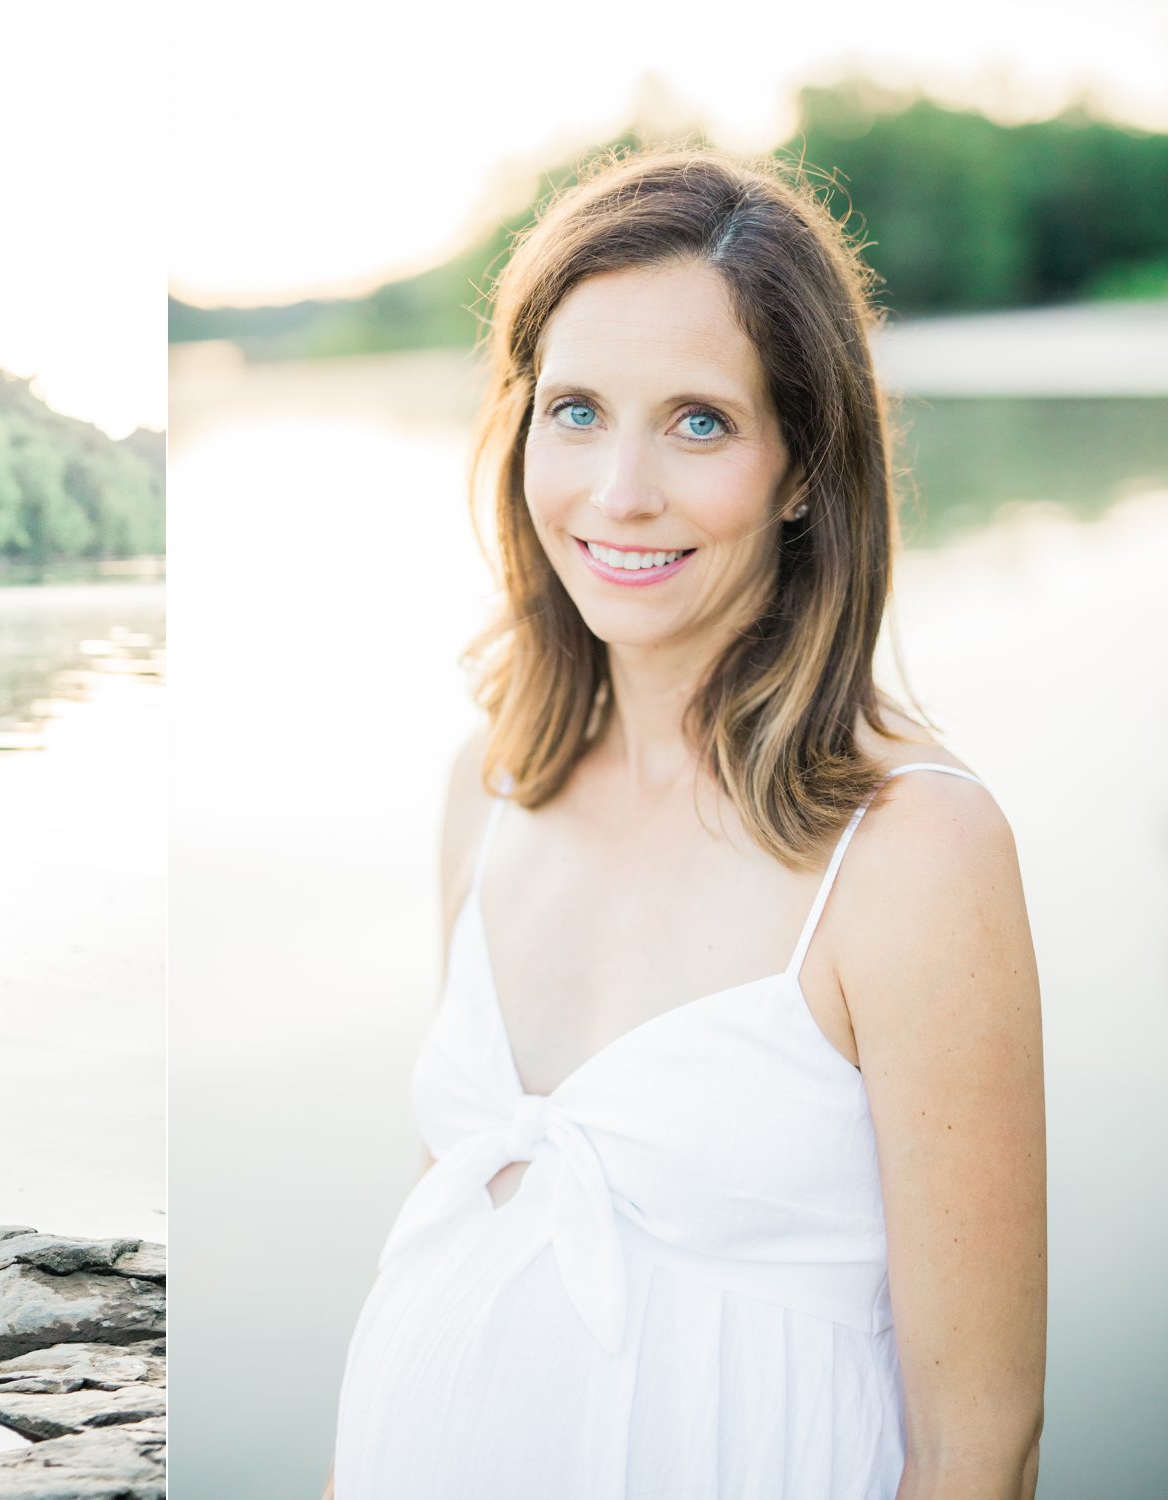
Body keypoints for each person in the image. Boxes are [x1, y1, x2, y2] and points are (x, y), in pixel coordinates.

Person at [328, 148, 1046, 1498]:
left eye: (699, 421)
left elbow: (977, 1449)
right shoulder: (485, 785)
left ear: (797, 468)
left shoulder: (909, 852)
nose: (618, 492)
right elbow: (440, 1252)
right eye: (578, 410)